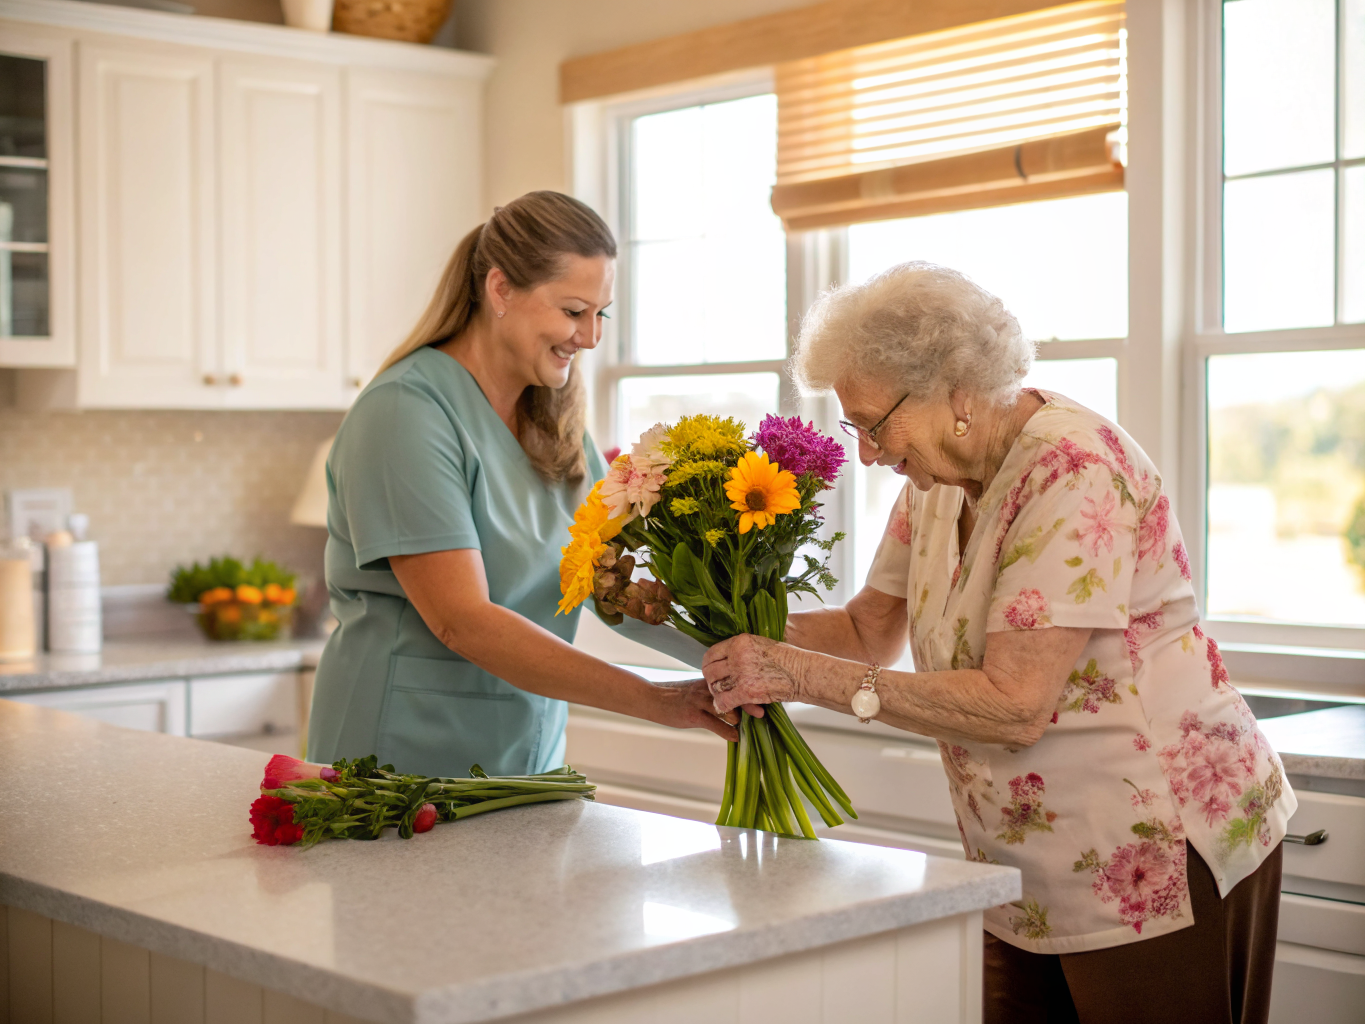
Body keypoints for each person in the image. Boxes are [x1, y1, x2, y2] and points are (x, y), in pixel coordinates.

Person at [702, 262, 1294, 1024]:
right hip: (1023, 854)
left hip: (1158, 840)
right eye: (856, 427)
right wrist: (709, 614)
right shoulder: (932, 485)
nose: (869, 454)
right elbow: (862, 633)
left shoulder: (1071, 466)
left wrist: (796, 676)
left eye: (874, 424)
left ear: (952, 390)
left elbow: (1015, 704)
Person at [307, 190, 734, 779]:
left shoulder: (558, 428)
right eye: (573, 310)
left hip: (525, 756)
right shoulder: (406, 413)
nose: (589, 338)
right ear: (501, 289)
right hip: (400, 754)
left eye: (600, 314)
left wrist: (743, 647)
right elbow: (464, 620)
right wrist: (661, 701)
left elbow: (615, 591)